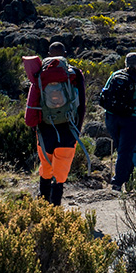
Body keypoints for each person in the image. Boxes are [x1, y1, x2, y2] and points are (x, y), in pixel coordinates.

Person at [25, 41, 86, 206]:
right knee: (61, 172)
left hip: (45, 129)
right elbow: (82, 105)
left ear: (48, 54)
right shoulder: (75, 74)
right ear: (65, 54)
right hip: (68, 128)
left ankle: (44, 206)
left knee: (46, 168)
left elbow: (32, 105)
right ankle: (56, 207)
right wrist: (77, 130)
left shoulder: (40, 74)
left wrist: (34, 127)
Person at [100, 51, 136, 191]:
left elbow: (104, 93)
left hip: (112, 117)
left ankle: (128, 178)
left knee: (122, 149)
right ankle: (118, 182)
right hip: (130, 119)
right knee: (125, 151)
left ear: (125, 64)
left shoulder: (114, 75)